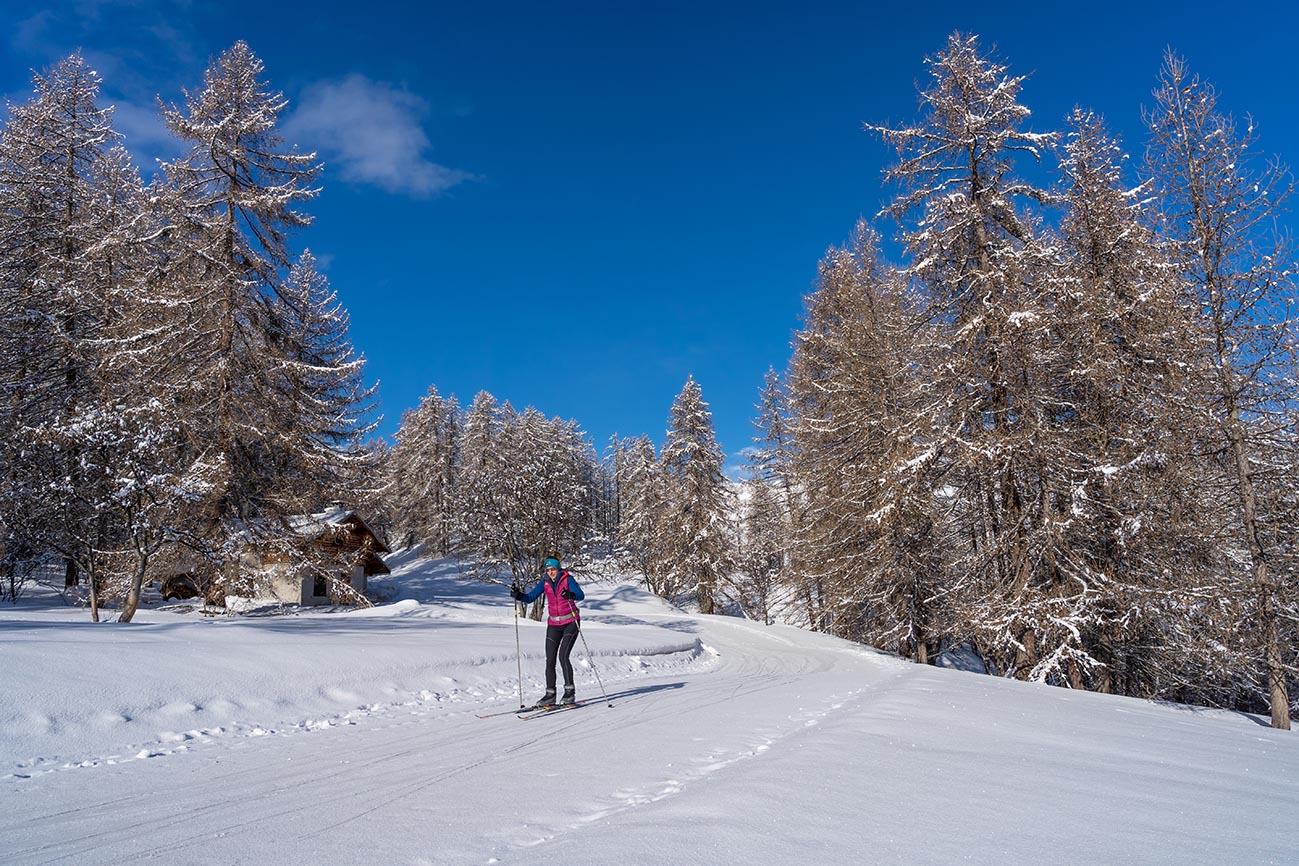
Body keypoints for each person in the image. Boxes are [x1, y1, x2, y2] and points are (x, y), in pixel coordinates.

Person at [511, 556, 585, 707]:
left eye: (553, 569)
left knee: (563, 656)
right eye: (548, 570)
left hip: (571, 622)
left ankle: (569, 693)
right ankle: (550, 695)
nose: (551, 572)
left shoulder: (567, 580)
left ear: (558, 569)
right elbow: (531, 597)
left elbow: (580, 595)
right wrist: (519, 595)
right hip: (554, 624)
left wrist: (571, 595)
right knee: (550, 659)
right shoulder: (544, 583)